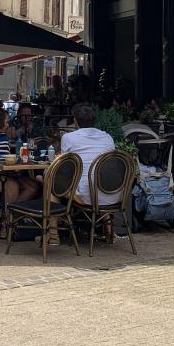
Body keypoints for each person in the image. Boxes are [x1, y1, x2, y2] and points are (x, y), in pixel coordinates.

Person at [58, 102, 115, 244]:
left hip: (85, 196)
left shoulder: (69, 138)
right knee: (99, 178)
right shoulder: (107, 137)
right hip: (110, 194)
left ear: (75, 120)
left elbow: (65, 166)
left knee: (51, 181)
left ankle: (53, 232)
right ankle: (108, 227)